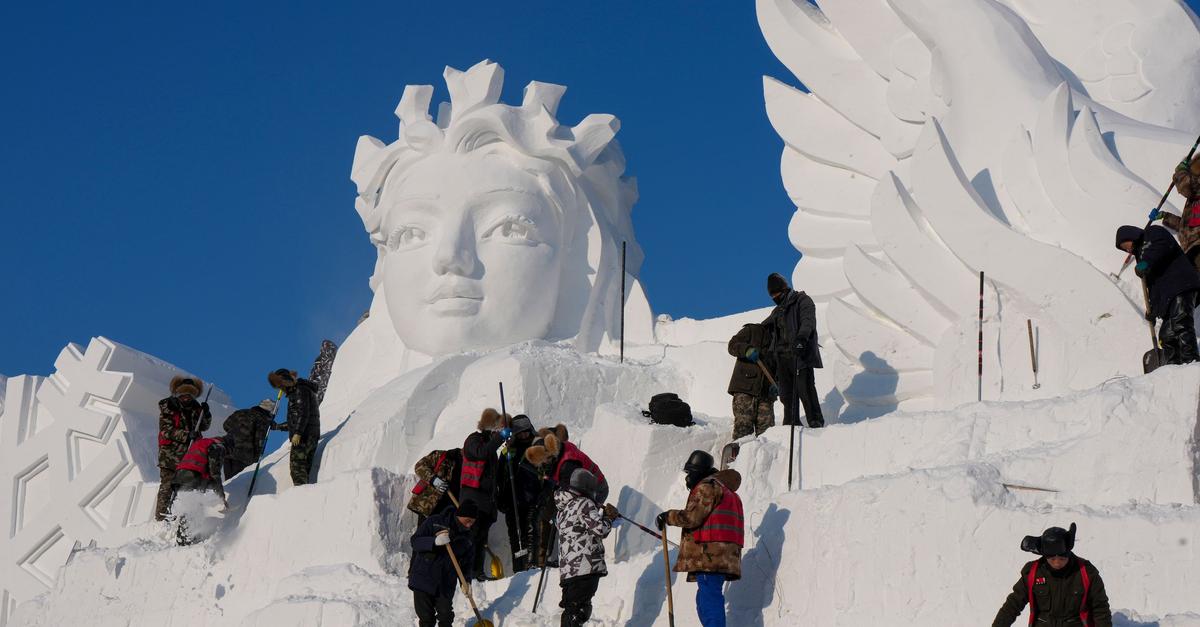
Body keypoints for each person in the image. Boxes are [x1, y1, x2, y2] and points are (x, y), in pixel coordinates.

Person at [656, 450, 744, 627]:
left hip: (710, 555)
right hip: (725, 555)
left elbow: (691, 518)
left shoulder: (707, 487)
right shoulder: (729, 493)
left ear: (700, 471)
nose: (688, 478)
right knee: (704, 599)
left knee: (709, 601)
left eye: (690, 472)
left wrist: (668, 516)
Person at [992, 523, 1112, 627]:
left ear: (1068, 552)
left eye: (1061, 557)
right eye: (1052, 558)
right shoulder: (1033, 573)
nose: (1057, 562)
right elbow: (1013, 605)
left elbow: (1100, 609)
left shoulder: (1086, 572)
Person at [1115, 225, 1200, 364]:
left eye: (1126, 245)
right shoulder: (1140, 254)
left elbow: (1163, 246)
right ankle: (1174, 368)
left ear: (1130, 236)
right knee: (1166, 335)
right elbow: (1153, 286)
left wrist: (1146, 261)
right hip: (1168, 294)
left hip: (1180, 284)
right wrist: (1154, 311)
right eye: (1124, 249)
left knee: (1181, 324)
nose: (1128, 249)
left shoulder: (1153, 233)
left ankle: (1191, 362)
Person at [554, 469, 618, 627]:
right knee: (580, 611)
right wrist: (609, 518)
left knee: (571, 611)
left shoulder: (562, 510)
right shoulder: (584, 503)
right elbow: (599, 529)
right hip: (585, 567)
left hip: (568, 572)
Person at [764, 272, 825, 428]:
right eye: (773, 296)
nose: (775, 298)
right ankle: (791, 422)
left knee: (805, 389)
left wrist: (802, 338)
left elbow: (808, 321)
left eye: (777, 294)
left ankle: (815, 420)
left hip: (799, 354)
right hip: (782, 358)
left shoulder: (802, 301)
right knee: (786, 394)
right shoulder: (777, 311)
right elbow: (766, 326)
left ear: (785, 289)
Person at [408, 499, 478, 627]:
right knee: (426, 618)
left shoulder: (468, 538)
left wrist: (466, 581)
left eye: (472, 523)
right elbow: (415, 541)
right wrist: (433, 542)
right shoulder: (435, 521)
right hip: (424, 577)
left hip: (446, 582)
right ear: (460, 514)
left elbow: (467, 563)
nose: (469, 525)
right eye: (467, 521)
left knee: (446, 617)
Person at [460, 407, 510, 580]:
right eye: (496, 429)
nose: (498, 433)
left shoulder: (492, 450)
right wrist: (499, 438)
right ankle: (465, 573)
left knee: (481, 539)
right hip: (473, 500)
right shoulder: (473, 441)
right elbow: (481, 453)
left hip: (487, 503)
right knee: (470, 538)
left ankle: (477, 572)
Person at [155, 376, 212, 520]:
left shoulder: (196, 408)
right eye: (183, 395)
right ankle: (161, 518)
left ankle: (183, 516)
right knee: (168, 484)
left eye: (190, 395)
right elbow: (166, 431)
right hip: (170, 454)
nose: (186, 398)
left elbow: (204, 426)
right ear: (177, 394)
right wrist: (187, 435)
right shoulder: (168, 407)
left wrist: (206, 413)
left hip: (190, 454)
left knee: (188, 485)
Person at [496, 414, 541, 572]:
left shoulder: (537, 446)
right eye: (520, 432)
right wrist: (499, 496)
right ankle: (518, 568)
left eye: (526, 431)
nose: (524, 435)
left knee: (531, 531)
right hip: (512, 499)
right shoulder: (508, 450)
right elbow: (500, 475)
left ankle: (532, 564)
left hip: (532, 498)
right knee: (515, 535)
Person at [268, 368, 322, 485]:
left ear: (286, 382)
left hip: (304, 436)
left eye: (281, 386)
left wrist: (297, 433)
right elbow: (295, 420)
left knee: (297, 469)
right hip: (309, 434)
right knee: (303, 469)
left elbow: (304, 413)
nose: (281, 389)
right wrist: (277, 426)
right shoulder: (298, 391)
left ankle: (301, 495)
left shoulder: (300, 390)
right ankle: (306, 494)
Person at [726, 322, 778, 439]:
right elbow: (732, 345)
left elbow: (779, 369)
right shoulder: (752, 330)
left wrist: (776, 384)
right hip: (745, 389)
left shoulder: (781, 343)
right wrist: (746, 349)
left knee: (768, 436)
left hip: (766, 395)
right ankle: (739, 457)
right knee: (743, 432)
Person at [221, 399, 286, 478]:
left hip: (228, 451)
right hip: (244, 457)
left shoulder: (240, 413)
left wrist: (235, 434)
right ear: (270, 411)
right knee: (238, 484)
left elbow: (226, 425)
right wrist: (255, 461)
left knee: (230, 482)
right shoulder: (264, 421)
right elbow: (259, 441)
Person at [1157, 156, 1200, 270]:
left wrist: (1180, 171)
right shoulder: (1195, 201)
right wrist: (1165, 216)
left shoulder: (1196, 192)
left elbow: (1186, 186)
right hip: (1191, 250)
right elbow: (1189, 227)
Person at [408, 448, 463, 525]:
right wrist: (433, 479)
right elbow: (419, 466)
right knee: (423, 534)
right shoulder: (442, 456)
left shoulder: (470, 468)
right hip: (429, 505)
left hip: (449, 511)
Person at [172, 435, 229, 506]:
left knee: (181, 506)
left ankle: (177, 515)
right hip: (192, 476)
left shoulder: (201, 443)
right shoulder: (217, 447)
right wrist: (222, 497)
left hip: (177, 477)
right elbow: (215, 473)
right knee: (191, 507)